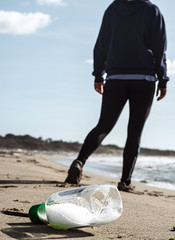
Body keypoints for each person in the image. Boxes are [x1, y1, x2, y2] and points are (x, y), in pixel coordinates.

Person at [64, 0, 169, 191]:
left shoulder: (113, 9)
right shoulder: (152, 10)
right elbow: (159, 48)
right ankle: (125, 181)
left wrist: (98, 74)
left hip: (115, 77)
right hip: (144, 79)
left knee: (104, 125)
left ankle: (79, 162)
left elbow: (101, 43)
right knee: (135, 131)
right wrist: (163, 79)